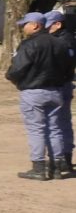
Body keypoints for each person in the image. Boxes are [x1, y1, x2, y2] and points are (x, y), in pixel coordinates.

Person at [5, 12, 70, 180]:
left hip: (33, 91)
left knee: (36, 130)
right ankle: (57, 166)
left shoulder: (29, 44)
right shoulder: (60, 44)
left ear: (35, 25)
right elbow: (69, 70)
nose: (23, 28)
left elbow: (18, 69)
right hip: (56, 91)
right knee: (54, 128)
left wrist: (13, 78)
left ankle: (39, 167)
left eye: (25, 24)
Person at [44, 10, 75, 177]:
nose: (46, 29)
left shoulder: (64, 41)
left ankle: (61, 158)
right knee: (62, 123)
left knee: (56, 124)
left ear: (58, 24)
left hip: (60, 85)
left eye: (48, 26)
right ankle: (64, 158)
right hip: (63, 83)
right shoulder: (64, 39)